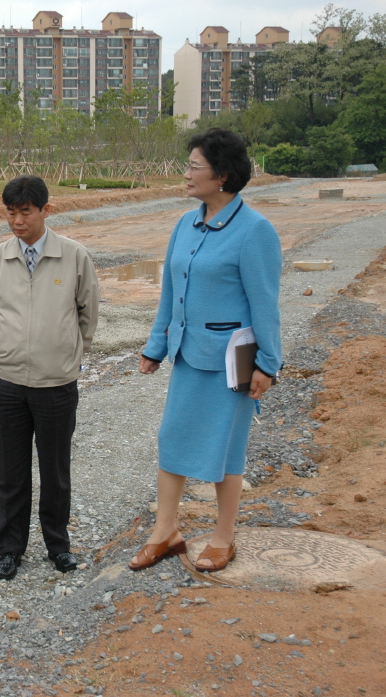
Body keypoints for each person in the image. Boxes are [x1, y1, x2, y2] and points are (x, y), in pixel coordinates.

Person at [129, 128, 282, 573]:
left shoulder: (255, 231)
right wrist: (155, 346)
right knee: (172, 439)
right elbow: (169, 292)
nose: (186, 173)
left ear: (223, 176)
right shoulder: (186, 222)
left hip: (232, 361)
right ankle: (166, 532)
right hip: (189, 355)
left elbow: (265, 304)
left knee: (225, 449)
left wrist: (267, 364)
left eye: (195, 166)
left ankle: (223, 538)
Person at [0, 175, 99, 580]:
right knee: (9, 473)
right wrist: (9, 349)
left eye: (25, 212)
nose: (16, 221)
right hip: (8, 382)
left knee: (55, 469)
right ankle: (10, 549)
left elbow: (87, 314)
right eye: (10, 212)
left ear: (46, 211)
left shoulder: (74, 256)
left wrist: (63, 352)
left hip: (55, 384)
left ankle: (57, 546)